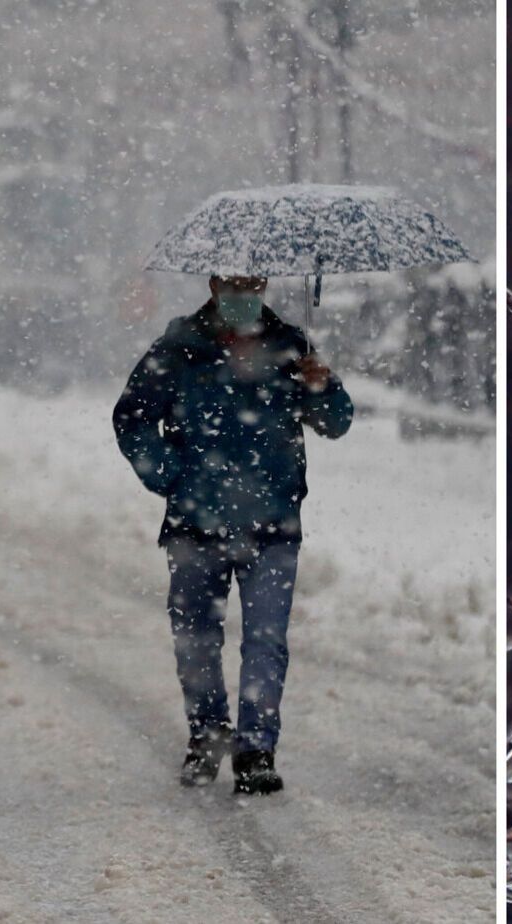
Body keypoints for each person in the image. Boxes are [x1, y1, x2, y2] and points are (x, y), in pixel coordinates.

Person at [112, 274, 353, 795]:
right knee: (196, 639)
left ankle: (256, 748)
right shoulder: (179, 347)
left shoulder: (291, 345)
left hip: (273, 524)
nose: (244, 292)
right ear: (214, 283)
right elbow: (131, 418)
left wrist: (322, 386)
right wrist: (170, 476)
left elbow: (335, 422)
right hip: (195, 523)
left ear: (264, 283)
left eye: (252, 282)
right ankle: (207, 731)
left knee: (266, 640)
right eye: (233, 282)